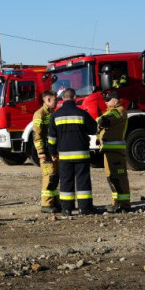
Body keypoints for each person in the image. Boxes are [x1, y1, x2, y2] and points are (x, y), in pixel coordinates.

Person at [47, 88, 98, 216]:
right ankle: (84, 208)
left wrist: (53, 153)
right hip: (81, 154)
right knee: (83, 181)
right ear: (75, 98)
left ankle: (67, 209)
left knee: (66, 181)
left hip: (64, 156)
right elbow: (93, 129)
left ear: (63, 98)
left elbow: (51, 138)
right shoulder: (82, 113)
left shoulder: (56, 115)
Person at [98, 91, 131, 213]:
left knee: (119, 177)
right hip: (109, 150)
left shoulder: (119, 111)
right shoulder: (111, 111)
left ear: (115, 101)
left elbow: (104, 121)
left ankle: (124, 205)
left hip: (116, 151)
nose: (106, 102)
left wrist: (99, 118)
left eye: (108, 100)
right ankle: (116, 202)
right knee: (111, 177)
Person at [32, 90, 60, 213]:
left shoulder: (53, 113)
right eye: (55, 100)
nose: (57, 102)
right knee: (49, 176)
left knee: (55, 176)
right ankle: (46, 204)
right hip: (45, 151)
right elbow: (36, 134)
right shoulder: (39, 114)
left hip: (53, 150)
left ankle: (55, 201)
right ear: (48, 100)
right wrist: (41, 151)